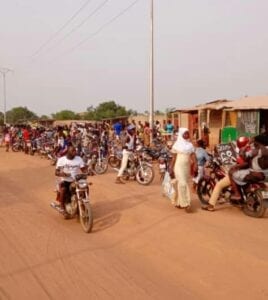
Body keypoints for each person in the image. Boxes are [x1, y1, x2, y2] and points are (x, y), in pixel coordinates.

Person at [169, 128, 198, 212]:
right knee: (183, 183)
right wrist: (171, 167)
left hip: (186, 167)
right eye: (185, 134)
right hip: (178, 166)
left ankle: (179, 202)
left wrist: (195, 164)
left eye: (187, 133)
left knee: (181, 184)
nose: (186, 135)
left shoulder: (190, 145)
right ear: (181, 134)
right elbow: (173, 158)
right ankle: (186, 203)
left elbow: (192, 155)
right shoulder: (176, 145)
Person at [54, 145, 87, 214]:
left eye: (75, 150)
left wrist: (87, 170)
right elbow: (56, 172)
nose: (75, 152)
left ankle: (83, 203)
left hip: (76, 180)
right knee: (63, 189)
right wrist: (62, 174)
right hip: (65, 180)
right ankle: (62, 207)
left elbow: (83, 169)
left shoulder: (79, 159)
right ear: (68, 152)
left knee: (85, 187)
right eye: (73, 151)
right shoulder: (61, 160)